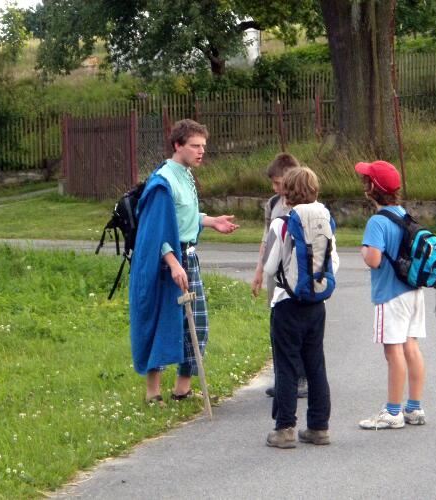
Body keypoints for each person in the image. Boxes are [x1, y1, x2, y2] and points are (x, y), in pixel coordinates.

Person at [129, 119, 239, 407]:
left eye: (203, 146)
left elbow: (182, 217)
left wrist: (212, 221)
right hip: (165, 265)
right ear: (178, 145)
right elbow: (155, 232)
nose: (201, 151)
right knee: (161, 322)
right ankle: (153, 393)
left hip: (188, 258)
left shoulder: (187, 175)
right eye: (195, 146)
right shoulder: (162, 182)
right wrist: (173, 264)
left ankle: (182, 390)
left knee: (196, 324)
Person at [263, 167, 339, 448]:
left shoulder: (281, 224)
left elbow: (270, 267)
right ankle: (319, 427)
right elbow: (334, 262)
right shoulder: (325, 220)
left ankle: (285, 429)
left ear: (287, 193)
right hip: (316, 303)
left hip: (287, 303)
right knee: (315, 364)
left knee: (286, 366)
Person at [354, 160, 427, 429]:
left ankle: (393, 412)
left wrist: (364, 251)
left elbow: (373, 260)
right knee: (411, 347)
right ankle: (414, 407)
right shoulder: (404, 214)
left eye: (366, 180)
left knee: (392, 351)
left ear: (372, 188)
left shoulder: (377, 221)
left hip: (390, 294)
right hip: (413, 291)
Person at [251, 153, 308, 399]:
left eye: (278, 183)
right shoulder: (273, 203)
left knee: (298, 328)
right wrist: (259, 271)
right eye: (273, 184)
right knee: (277, 326)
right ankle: (283, 377)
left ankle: (301, 378)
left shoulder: (306, 203)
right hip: (276, 276)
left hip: (298, 276)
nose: (275, 188)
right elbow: (266, 240)